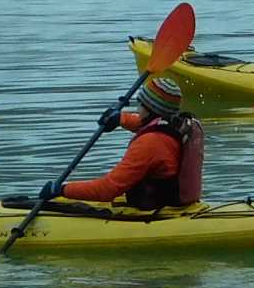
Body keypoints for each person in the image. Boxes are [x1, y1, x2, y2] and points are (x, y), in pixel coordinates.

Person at [42, 73, 203, 209]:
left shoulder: (149, 144)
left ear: (150, 108)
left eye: (140, 103)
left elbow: (107, 190)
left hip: (154, 210)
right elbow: (143, 122)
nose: (137, 108)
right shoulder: (176, 124)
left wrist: (62, 190)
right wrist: (120, 119)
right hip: (174, 202)